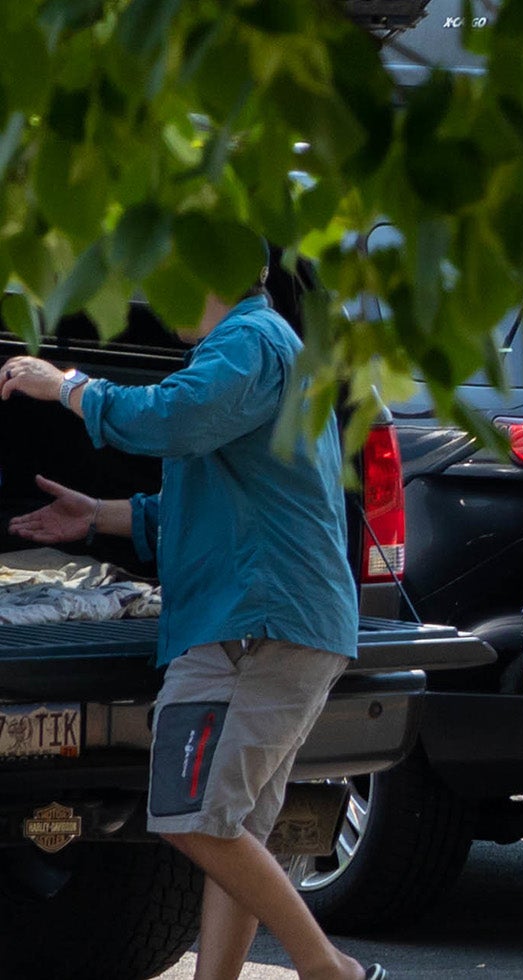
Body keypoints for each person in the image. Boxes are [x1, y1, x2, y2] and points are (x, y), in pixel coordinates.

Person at [5, 253, 385, 980]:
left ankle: (329, 969)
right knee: (233, 829)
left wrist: (69, 387)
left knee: (190, 817)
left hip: (256, 631)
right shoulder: (257, 347)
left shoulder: (250, 344)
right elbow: (211, 504)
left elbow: (170, 420)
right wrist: (100, 518)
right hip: (268, 627)